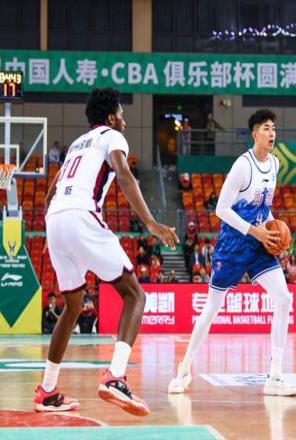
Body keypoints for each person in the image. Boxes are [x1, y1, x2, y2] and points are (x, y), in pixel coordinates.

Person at [36, 87, 178, 415]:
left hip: (55, 219)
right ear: (112, 117)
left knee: (72, 307)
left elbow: (50, 193)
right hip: (81, 215)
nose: (124, 120)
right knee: (135, 295)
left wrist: (49, 232)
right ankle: (115, 376)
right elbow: (124, 174)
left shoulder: (77, 144)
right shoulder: (112, 136)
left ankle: (47, 391)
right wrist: (151, 222)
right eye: (122, 114)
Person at [168, 109, 296, 397]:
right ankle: (184, 369)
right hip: (233, 245)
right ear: (254, 134)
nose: (272, 133)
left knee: (283, 299)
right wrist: (256, 231)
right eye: (266, 128)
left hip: (258, 245)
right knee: (211, 310)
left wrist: (273, 232)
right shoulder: (242, 166)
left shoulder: (275, 164)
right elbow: (221, 209)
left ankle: (275, 376)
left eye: (274, 128)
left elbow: (263, 209)